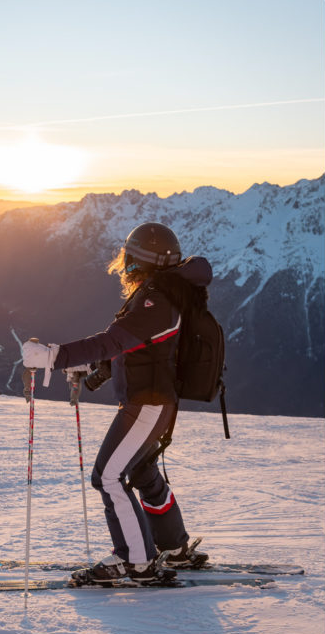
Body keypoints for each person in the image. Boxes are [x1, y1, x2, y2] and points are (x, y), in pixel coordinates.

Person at [23, 222, 211, 582]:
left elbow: (110, 341)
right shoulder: (161, 296)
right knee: (140, 471)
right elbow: (132, 346)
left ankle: (134, 560)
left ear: (139, 260)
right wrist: (91, 368)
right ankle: (173, 547)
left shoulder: (156, 301)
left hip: (147, 405)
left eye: (128, 258)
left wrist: (53, 356)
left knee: (107, 477)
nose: (124, 266)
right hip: (153, 403)